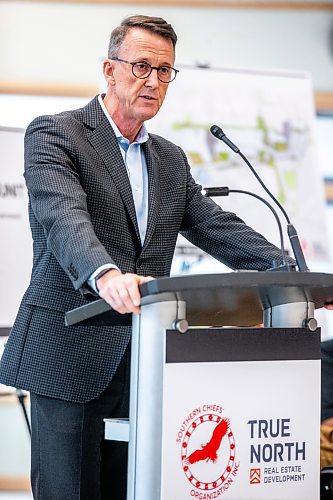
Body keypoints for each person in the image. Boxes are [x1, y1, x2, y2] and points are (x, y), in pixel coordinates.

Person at [0, 14, 330, 500]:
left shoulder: (170, 159)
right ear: (109, 70)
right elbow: (64, 218)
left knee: (129, 489)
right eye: (140, 66)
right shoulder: (57, 134)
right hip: (68, 353)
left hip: (145, 360)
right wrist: (105, 273)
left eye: (164, 71)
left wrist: (298, 277)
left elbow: (216, 227)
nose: (152, 80)